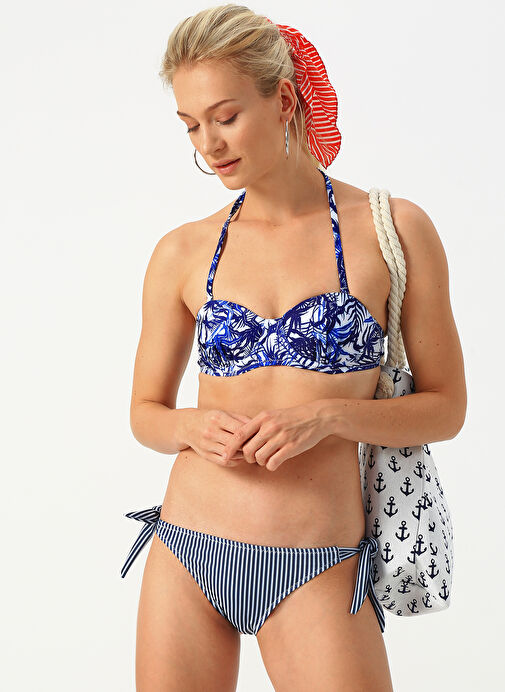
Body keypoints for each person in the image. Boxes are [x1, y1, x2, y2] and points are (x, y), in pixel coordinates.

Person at [121, 5, 467, 691]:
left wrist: (328, 416)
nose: (209, 144)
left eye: (225, 117)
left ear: (283, 100)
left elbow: (446, 408)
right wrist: (190, 426)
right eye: (190, 125)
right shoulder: (183, 251)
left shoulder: (393, 230)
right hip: (188, 548)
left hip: (319, 561)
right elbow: (145, 413)